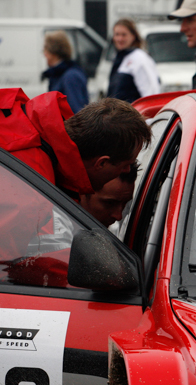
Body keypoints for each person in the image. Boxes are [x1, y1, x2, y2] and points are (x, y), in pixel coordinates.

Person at [0, 89, 151, 260]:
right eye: (125, 165)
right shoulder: (32, 196)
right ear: (101, 163)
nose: (128, 171)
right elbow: (4, 267)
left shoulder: (24, 119)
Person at [107, 18, 161, 103]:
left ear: (133, 36)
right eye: (117, 34)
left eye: (124, 35)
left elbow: (151, 93)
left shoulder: (140, 58)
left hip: (134, 111)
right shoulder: (120, 58)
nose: (120, 39)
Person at [41, 30, 89, 113]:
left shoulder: (70, 76)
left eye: (46, 50)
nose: (44, 54)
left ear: (54, 52)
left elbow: (76, 111)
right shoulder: (57, 74)